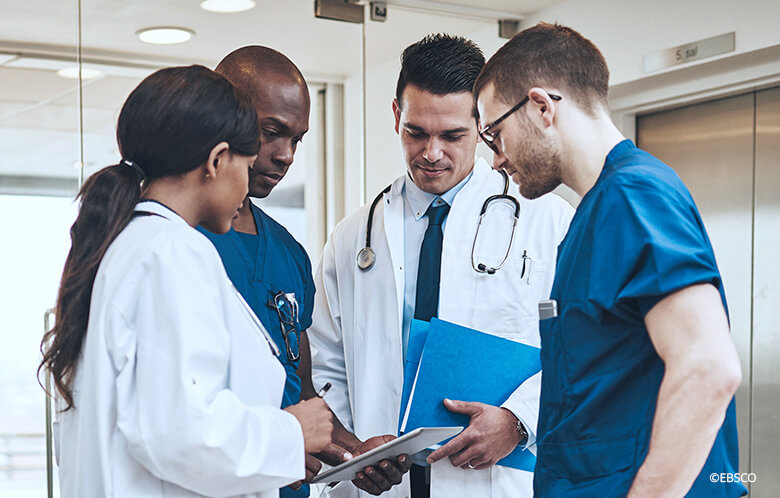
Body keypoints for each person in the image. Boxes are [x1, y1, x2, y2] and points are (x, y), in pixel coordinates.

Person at [474, 22, 747, 497]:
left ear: (541, 107)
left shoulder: (633, 195)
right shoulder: (593, 216)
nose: (495, 159)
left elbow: (708, 367)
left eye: (494, 134)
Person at [38, 65, 334, 498]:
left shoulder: (127, 246)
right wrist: (291, 432)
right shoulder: (172, 252)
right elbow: (180, 432)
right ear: (216, 162)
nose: (244, 191)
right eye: (245, 164)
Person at [307, 34, 573, 498]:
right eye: (416, 132)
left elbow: (580, 348)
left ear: (484, 124)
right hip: (381, 479)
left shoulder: (545, 220)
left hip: (493, 474)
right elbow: (327, 360)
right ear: (396, 116)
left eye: (452, 135)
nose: (431, 153)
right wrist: (355, 452)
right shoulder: (354, 235)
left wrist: (519, 421)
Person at [197, 46, 341, 497]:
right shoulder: (180, 245)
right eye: (272, 132)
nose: (286, 156)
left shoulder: (289, 254)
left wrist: (358, 453)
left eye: (297, 139)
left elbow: (299, 391)